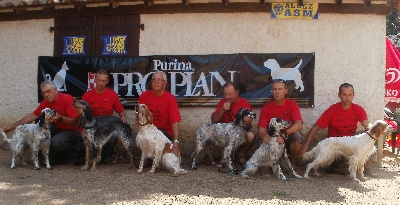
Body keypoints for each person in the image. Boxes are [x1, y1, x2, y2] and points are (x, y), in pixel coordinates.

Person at [299, 83, 375, 176]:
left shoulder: (358, 109)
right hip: (335, 145)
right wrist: (307, 144)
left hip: (350, 144)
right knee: (328, 160)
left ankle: (366, 166)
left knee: (371, 137)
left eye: (350, 95)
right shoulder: (332, 110)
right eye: (344, 95)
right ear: (339, 95)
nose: (347, 98)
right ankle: (336, 165)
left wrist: (375, 130)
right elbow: (315, 127)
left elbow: (366, 125)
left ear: (353, 95)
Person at [2, 80, 84, 165]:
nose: (46, 95)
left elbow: (76, 122)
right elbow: (32, 116)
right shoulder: (46, 102)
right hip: (59, 128)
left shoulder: (66, 98)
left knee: (56, 142)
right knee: (39, 129)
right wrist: (11, 127)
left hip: (75, 131)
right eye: (43, 93)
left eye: (48, 91)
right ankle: (46, 156)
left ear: (56, 89)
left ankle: (79, 152)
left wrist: (60, 118)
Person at [82, 68, 127, 163]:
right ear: (95, 80)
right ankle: (99, 156)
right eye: (99, 80)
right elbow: (83, 114)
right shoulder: (87, 95)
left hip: (107, 126)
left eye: (103, 81)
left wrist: (123, 118)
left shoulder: (112, 95)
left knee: (116, 133)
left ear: (107, 81)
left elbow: (121, 110)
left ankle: (105, 156)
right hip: (92, 126)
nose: (101, 83)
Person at [258, 79, 304, 169]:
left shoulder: (292, 105)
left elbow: (299, 124)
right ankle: (268, 166)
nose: (277, 92)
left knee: (297, 136)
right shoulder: (266, 108)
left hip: (287, 137)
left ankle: (292, 165)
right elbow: (260, 129)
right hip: (273, 139)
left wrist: (285, 134)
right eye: (275, 89)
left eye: (280, 89)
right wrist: (264, 136)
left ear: (286, 91)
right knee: (261, 142)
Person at [138, 71, 182, 157]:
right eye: (154, 80)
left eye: (159, 80)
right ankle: (148, 158)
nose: (156, 82)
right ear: (151, 82)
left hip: (165, 133)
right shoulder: (144, 96)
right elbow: (140, 117)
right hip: (149, 132)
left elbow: (174, 121)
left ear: (165, 83)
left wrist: (176, 141)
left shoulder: (170, 99)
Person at [211, 82, 255, 165]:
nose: (227, 97)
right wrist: (222, 110)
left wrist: (247, 123)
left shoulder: (245, 104)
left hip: (239, 134)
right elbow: (213, 121)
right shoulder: (222, 102)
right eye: (225, 94)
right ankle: (224, 156)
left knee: (250, 136)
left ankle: (241, 155)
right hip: (225, 134)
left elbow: (248, 127)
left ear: (237, 92)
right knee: (215, 132)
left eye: (230, 94)